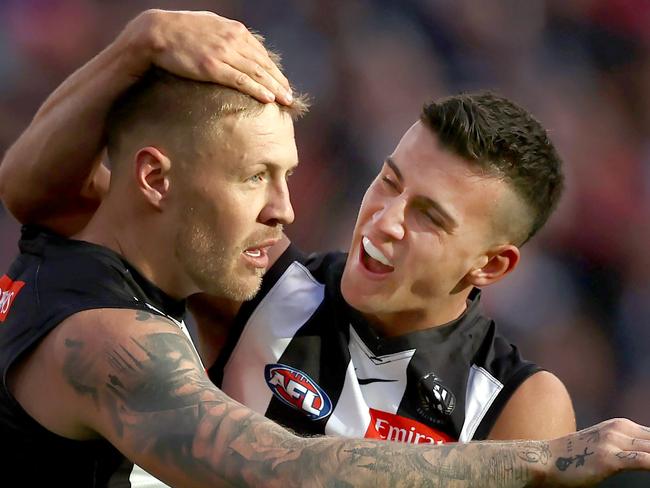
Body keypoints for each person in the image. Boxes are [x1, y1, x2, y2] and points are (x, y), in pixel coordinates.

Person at [2, 9, 650, 488]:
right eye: (388, 181)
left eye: (428, 216)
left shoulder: (518, 402)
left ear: (492, 264)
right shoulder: (253, 286)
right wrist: (139, 44)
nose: (385, 221)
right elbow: (42, 199)